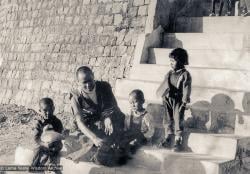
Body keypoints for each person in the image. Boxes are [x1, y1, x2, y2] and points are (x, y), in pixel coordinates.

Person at [69, 66, 127, 166]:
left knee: (116, 134)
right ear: (78, 82)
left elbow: (112, 105)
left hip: (110, 119)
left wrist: (107, 117)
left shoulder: (104, 87)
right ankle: (99, 153)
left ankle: (107, 150)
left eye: (90, 80)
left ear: (93, 76)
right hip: (91, 125)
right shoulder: (76, 97)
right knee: (91, 142)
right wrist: (94, 138)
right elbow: (80, 122)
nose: (88, 85)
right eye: (84, 83)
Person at [156, 48, 192, 152]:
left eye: (173, 61)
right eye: (170, 61)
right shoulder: (169, 73)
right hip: (168, 99)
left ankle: (178, 140)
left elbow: (186, 88)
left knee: (177, 118)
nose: (171, 63)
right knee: (167, 118)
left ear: (180, 61)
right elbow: (164, 85)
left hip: (178, 100)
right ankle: (168, 137)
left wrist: (184, 102)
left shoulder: (185, 74)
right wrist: (162, 95)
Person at [31, 98, 64, 171]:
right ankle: (35, 168)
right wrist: (44, 144)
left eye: (50, 109)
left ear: (54, 108)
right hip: (42, 144)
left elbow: (59, 135)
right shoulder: (39, 123)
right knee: (38, 150)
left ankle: (52, 165)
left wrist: (63, 136)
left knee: (57, 148)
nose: (48, 113)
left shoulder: (57, 122)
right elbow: (36, 138)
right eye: (45, 110)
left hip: (54, 144)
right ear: (40, 111)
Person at [123, 89, 154, 154]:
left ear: (142, 101)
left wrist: (144, 136)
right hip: (131, 136)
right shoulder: (129, 114)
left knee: (135, 142)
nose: (133, 105)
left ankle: (130, 151)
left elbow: (151, 131)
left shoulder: (146, 116)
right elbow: (126, 126)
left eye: (135, 102)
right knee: (122, 140)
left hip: (142, 138)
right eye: (131, 103)